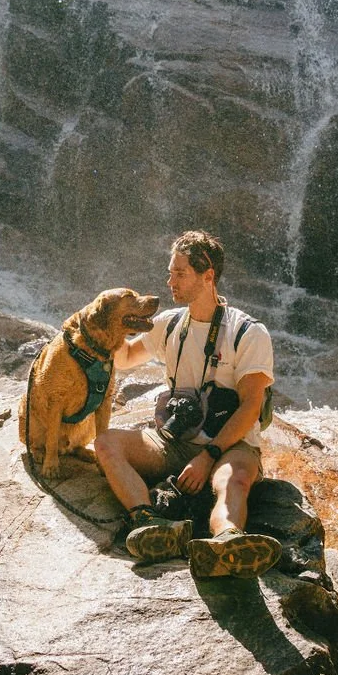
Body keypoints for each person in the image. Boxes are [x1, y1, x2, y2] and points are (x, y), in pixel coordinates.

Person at [94, 229, 282, 579]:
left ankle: (227, 541)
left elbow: (250, 407)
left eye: (180, 273)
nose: (170, 281)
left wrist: (207, 456)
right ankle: (149, 522)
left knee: (235, 479)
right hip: (174, 440)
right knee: (106, 442)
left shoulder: (247, 332)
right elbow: (124, 358)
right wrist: (110, 324)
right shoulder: (168, 325)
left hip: (230, 445)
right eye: (170, 272)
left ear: (208, 276)